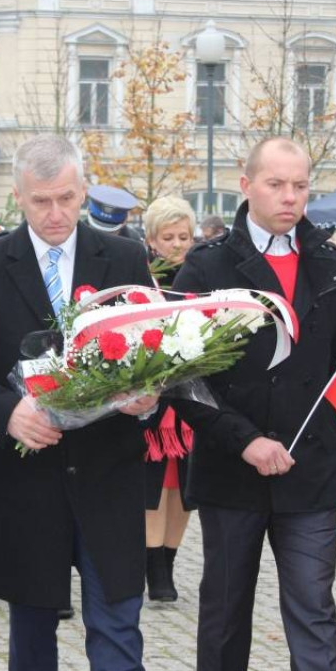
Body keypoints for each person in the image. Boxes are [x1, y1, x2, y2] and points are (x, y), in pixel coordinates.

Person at [0, 134, 157, 671]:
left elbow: (157, 349)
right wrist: (8, 411)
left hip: (110, 475)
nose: (56, 213)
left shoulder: (127, 259)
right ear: (18, 198)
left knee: (117, 629)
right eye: (41, 202)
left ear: (83, 190)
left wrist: (148, 396)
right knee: (32, 636)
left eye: (66, 197)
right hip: (26, 481)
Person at [173, 138, 336, 671]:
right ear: (246, 184)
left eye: (300, 186)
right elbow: (182, 379)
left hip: (312, 475)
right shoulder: (206, 265)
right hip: (233, 474)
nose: (290, 197)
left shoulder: (331, 264)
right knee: (226, 616)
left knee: (314, 613)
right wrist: (245, 439)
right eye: (276, 184)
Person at [140, 195, 197, 602]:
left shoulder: (202, 275)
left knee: (184, 490)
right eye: (169, 237)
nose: (178, 244)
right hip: (154, 400)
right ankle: (154, 570)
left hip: (194, 400)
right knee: (156, 486)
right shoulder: (142, 280)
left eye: (185, 236)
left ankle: (171, 562)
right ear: (151, 240)